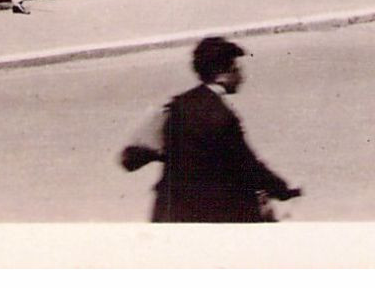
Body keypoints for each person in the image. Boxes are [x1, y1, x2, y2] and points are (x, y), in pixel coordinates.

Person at [120, 37, 301, 222]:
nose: (242, 76)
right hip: (213, 214)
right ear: (224, 73)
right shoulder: (222, 115)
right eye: (237, 69)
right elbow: (247, 165)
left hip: (169, 211)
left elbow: (135, 156)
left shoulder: (177, 104)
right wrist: (283, 190)